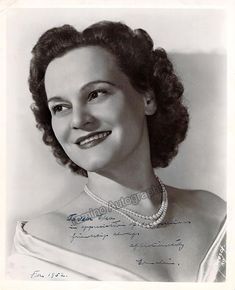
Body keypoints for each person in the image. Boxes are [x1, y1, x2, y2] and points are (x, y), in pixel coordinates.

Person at [7, 21, 226, 282]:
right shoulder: (41, 243)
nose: (78, 120)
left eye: (95, 94)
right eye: (60, 107)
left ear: (148, 98)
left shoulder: (217, 212)